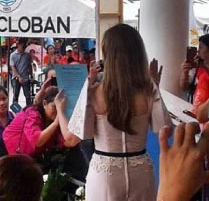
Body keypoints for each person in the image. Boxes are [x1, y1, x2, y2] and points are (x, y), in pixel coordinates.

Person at [59, 24, 169, 200]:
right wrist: (154, 82)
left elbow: (72, 139)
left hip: (105, 174)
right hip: (140, 172)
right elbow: (163, 129)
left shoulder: (93, 92)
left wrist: (59, 108)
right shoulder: (150, 90)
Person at [2, 85, 78, 161]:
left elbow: (68, 142)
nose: (58, 111)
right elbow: (37, 141)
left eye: (60, 108)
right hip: (13, 154)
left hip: (32, 157)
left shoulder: (57, 118)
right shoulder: (33, 114)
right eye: (55, 107)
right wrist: (55, 123)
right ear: (44, 104)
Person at [8, 40, 33, 106]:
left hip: (25, 77)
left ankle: (29, 109)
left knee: (27, 95)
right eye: (22, 45)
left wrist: (31, 75)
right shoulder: (13, 55)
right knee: (15, 95)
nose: (23, 47)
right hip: (16, 78)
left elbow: (29, 65)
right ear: (18, 45)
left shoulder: (27, 55)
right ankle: (15, 110)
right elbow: (13, 67)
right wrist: (18, 76)